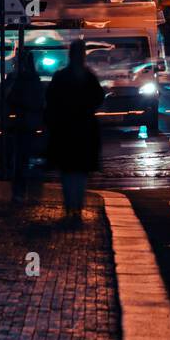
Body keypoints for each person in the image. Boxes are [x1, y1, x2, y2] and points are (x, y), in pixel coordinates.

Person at [45, 39, 104, 222]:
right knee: (80, 172)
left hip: (65, 130)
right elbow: (98, 98)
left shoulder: (61, 76)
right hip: (84, 130)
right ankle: (77, 205)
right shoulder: (88, 77)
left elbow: (51, 100)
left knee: (67, 172)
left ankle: (70, 204)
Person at [6, 51, 45, 201]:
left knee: (19, 157)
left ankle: (19, 190)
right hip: (30, 122)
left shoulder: (16, 79)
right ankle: (30, 188)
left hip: (19, 123)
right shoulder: (34, 80)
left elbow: (10, 99)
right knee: (27, 156)